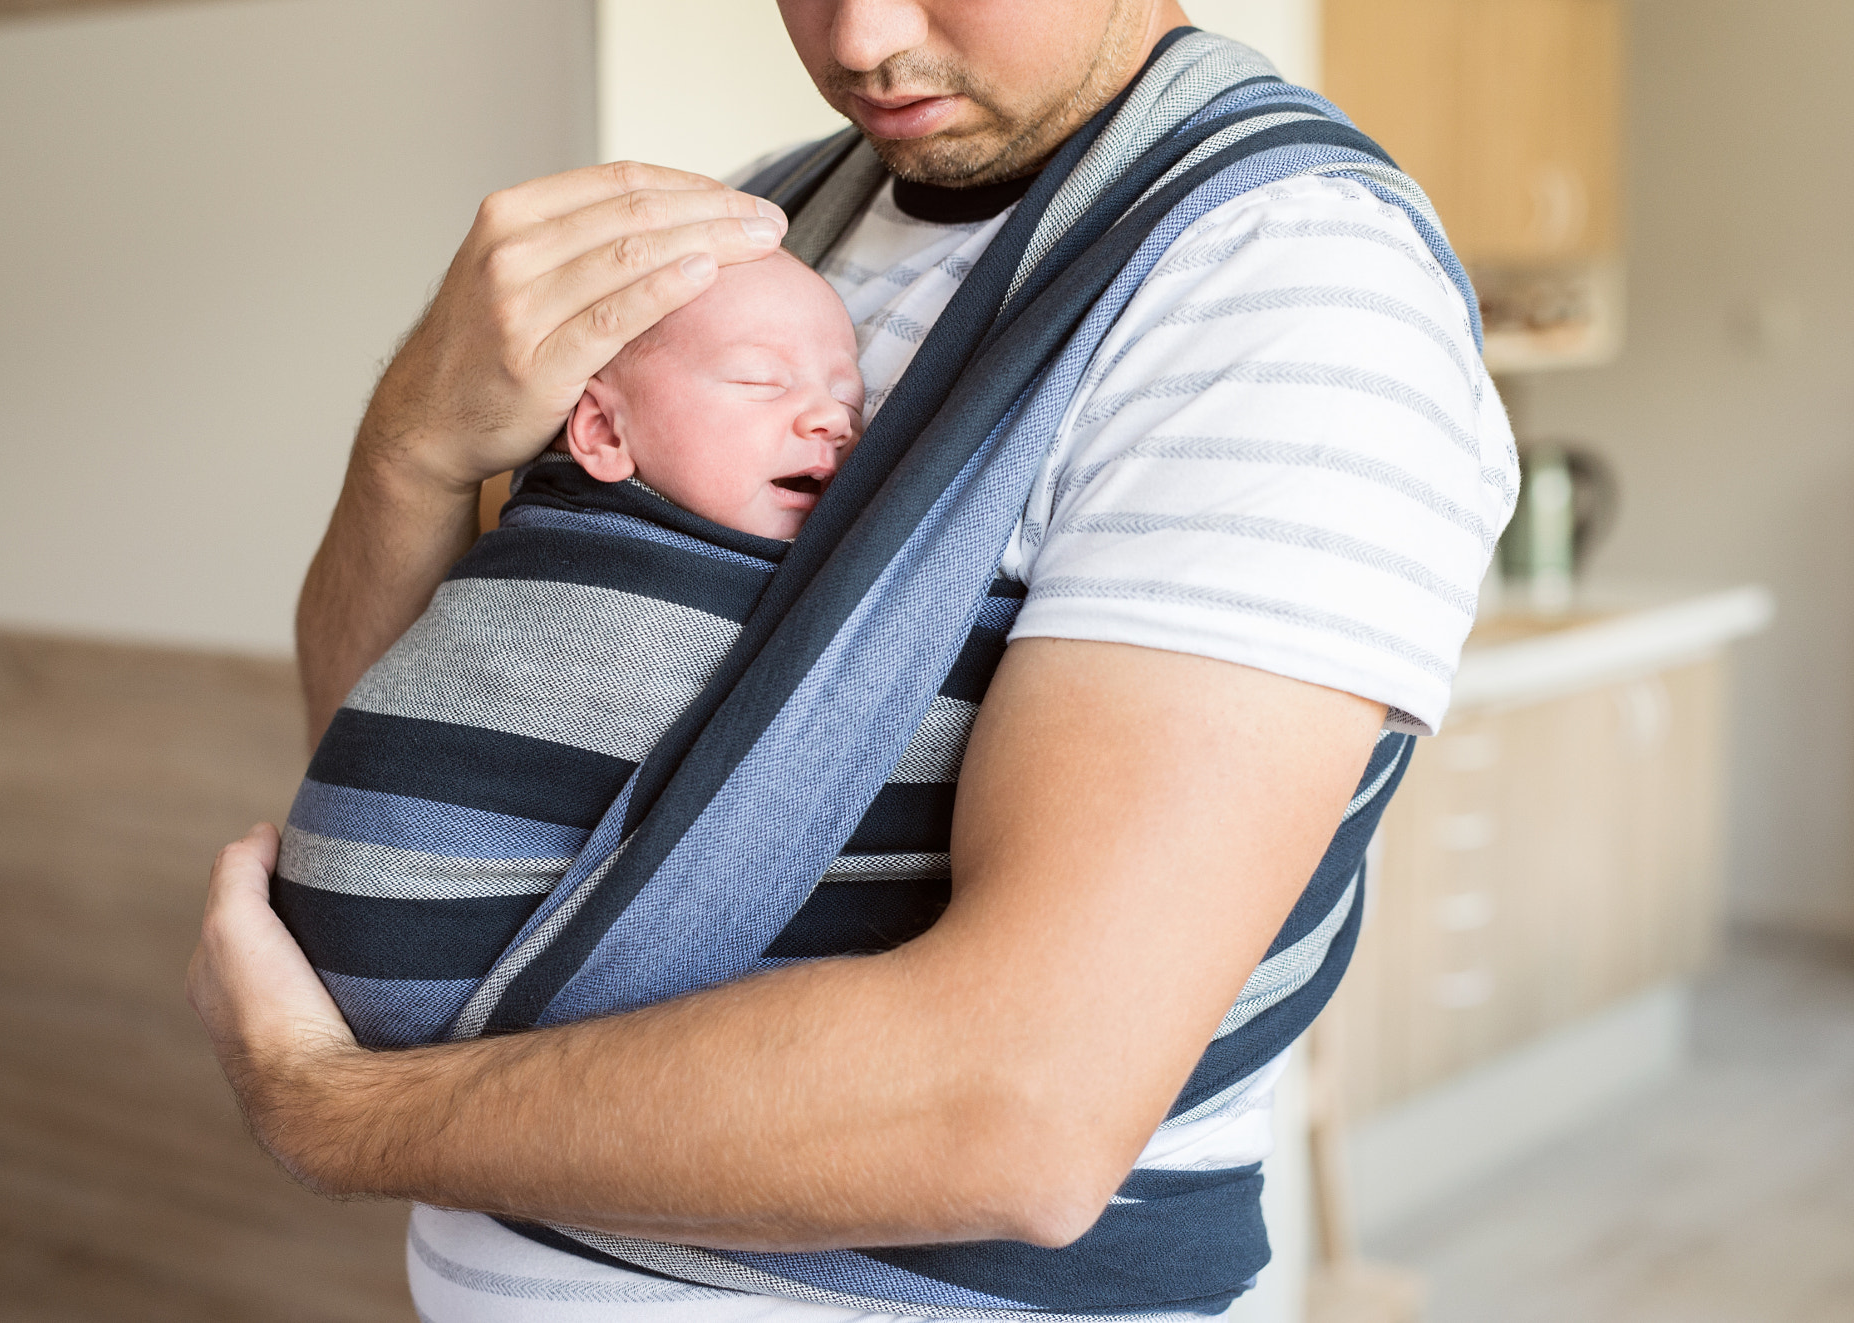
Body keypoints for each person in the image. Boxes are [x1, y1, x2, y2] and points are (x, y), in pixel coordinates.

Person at [188, 2, 1517, 1319]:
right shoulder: (752, 229)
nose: (860, 36)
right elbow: (417, 749)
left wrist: (338, 1112)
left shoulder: (1286, 290)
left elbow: (1018, 1106)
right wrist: (413, 440)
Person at [272, 252, 922, 1052]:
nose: (832, 419)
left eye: (849, 396)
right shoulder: (733, 227)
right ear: (604, 431)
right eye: (760, 382)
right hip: (453, 968)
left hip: (417, 1016)